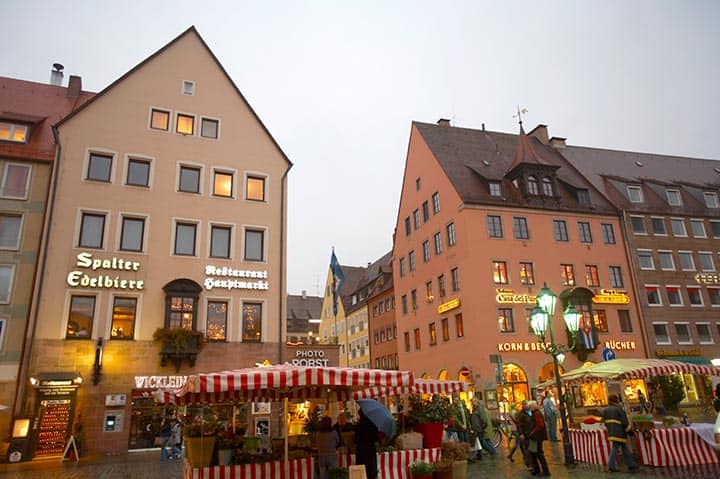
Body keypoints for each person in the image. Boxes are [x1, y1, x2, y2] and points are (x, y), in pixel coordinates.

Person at [602, 394, 639, 473]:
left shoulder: (606, 409)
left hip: (611, 432)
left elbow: (604, 421)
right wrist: (629, 431)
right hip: (620, 432)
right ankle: (611, 466)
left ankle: (631, 464)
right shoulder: (619, 409)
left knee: (624, 447)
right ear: (616, 400)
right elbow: (624, 421)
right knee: (615, 448)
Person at [524, 400, 550, 477]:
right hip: (535, 436)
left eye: (529, 407)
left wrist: (532, 432)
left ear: (533, 407)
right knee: (533, 453)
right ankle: (537, 470)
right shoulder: (535, 413)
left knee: (539, 453)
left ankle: (545, 471)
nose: (529, 409)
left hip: (537, 436)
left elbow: (540, 425)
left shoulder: (537, 413)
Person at [355, 409, 379, 479]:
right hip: (371, 449)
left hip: (361, 449)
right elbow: (376, 438)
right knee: (371, 470)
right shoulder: (373, 424)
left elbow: (356, 439)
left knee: (362, 470)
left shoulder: (359, 425)